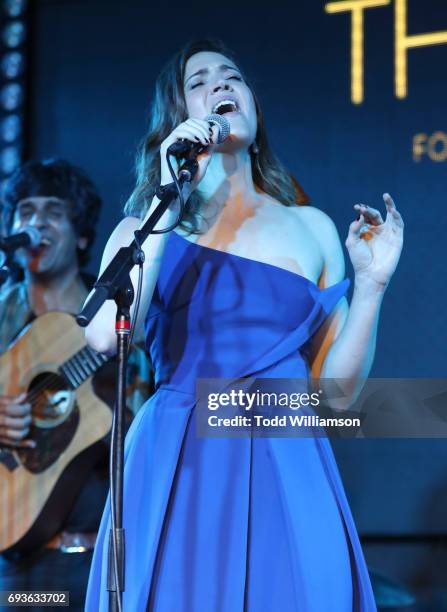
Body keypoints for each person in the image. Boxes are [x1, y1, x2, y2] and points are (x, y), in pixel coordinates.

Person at [84, 39, 404, 611]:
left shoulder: (312, 228)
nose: (222, 85)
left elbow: (338, 397)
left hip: (288, 450)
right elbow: (104, 333)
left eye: (232, 76)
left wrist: (372, 287)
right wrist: (168, 192)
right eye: (199, 81)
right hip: (179, 454)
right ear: (177, 118)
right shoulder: (147, 226)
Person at [0, 159, 152, 611]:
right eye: (24, 211)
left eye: (52, 212)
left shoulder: (123, 320)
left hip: (105, 561)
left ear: (82, 234)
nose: (35, 223)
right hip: (19, 572)